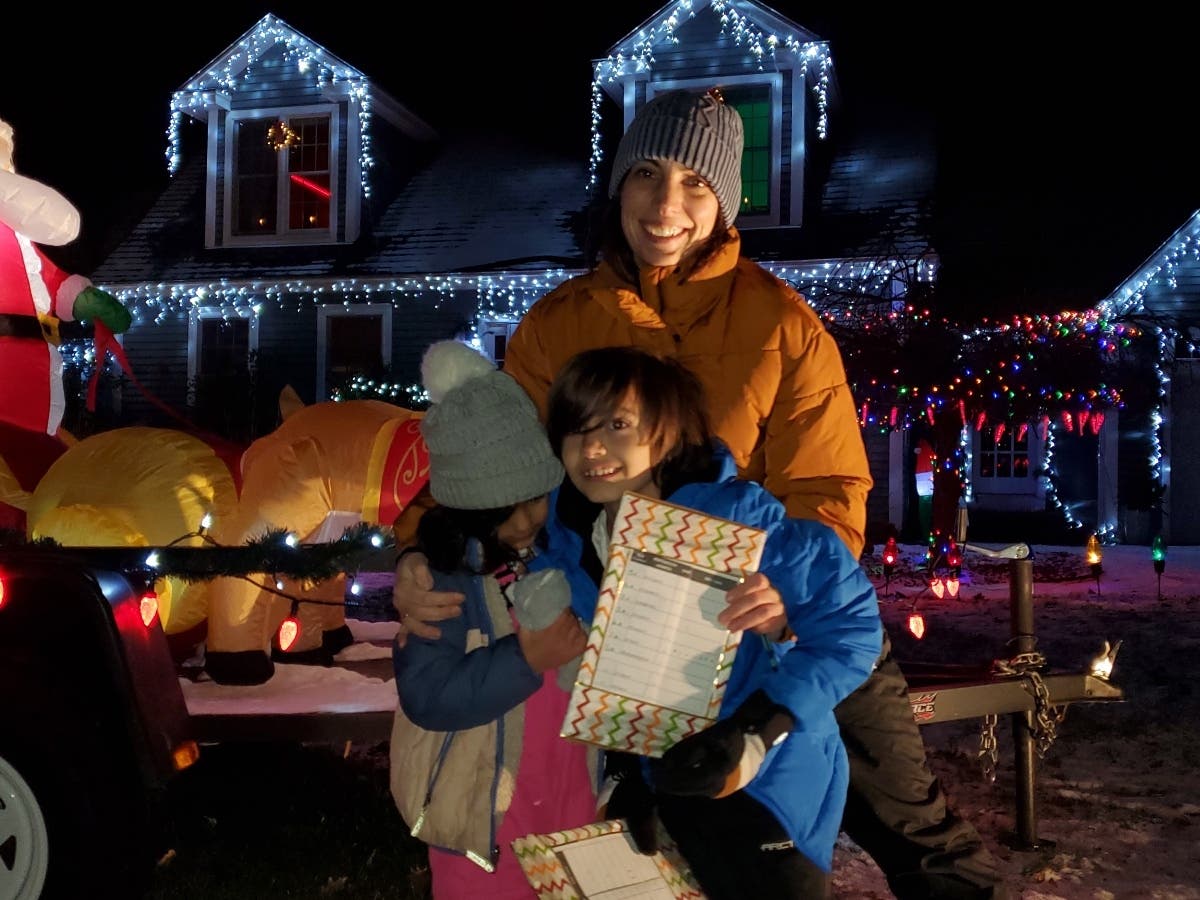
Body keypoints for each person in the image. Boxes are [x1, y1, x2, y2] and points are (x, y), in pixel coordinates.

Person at [395, 88, 1008, 899]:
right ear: (618, 187)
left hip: (773, 610)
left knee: (906, 817)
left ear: (725, 201)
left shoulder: (781, 323)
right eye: (646, 172)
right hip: (637, 639)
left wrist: (784, 594)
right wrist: (419, 546)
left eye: (695, 181)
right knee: (680, 842)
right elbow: (499, 467)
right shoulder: (557, 324)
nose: (666, 202)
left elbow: (826, 485)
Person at [536, 345, 882, 898]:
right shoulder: (569, 545)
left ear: (668, 432)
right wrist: (627, 774)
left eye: (618, 425)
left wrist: (757, 728)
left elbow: (850, 630)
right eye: (575, 431)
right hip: (665, 793)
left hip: (767, 795)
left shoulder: (735, 520)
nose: (593, 447)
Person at [390, 339, 596, 898]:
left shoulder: (558, 551)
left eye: (539, 497)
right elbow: (428, 695)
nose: (532, 517)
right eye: (513, 505)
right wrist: (525, 660)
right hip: (486, 817)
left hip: (571, 791)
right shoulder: (443, 581)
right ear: (470, 504)